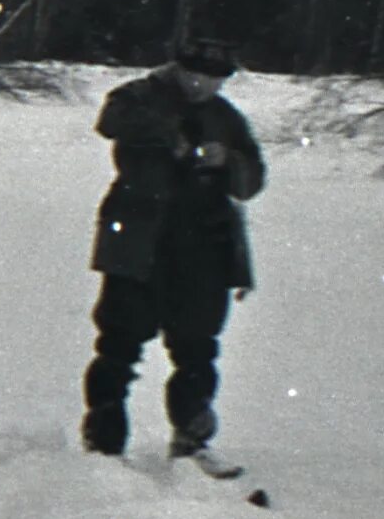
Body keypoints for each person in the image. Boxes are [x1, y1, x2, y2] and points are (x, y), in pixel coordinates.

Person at [79, 38, 266, 468]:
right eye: (196, 76)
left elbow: (251, 182)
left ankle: (192, 437)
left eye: (215, 80)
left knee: (197, 348)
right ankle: (103, 443)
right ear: (178, 69)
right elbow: (111, 120)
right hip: (139, 241)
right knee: (119, 343)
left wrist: (228, 161)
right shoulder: (139, 97)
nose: (204, 86)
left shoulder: (226, 118)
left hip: (205, 247)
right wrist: (170, 136)